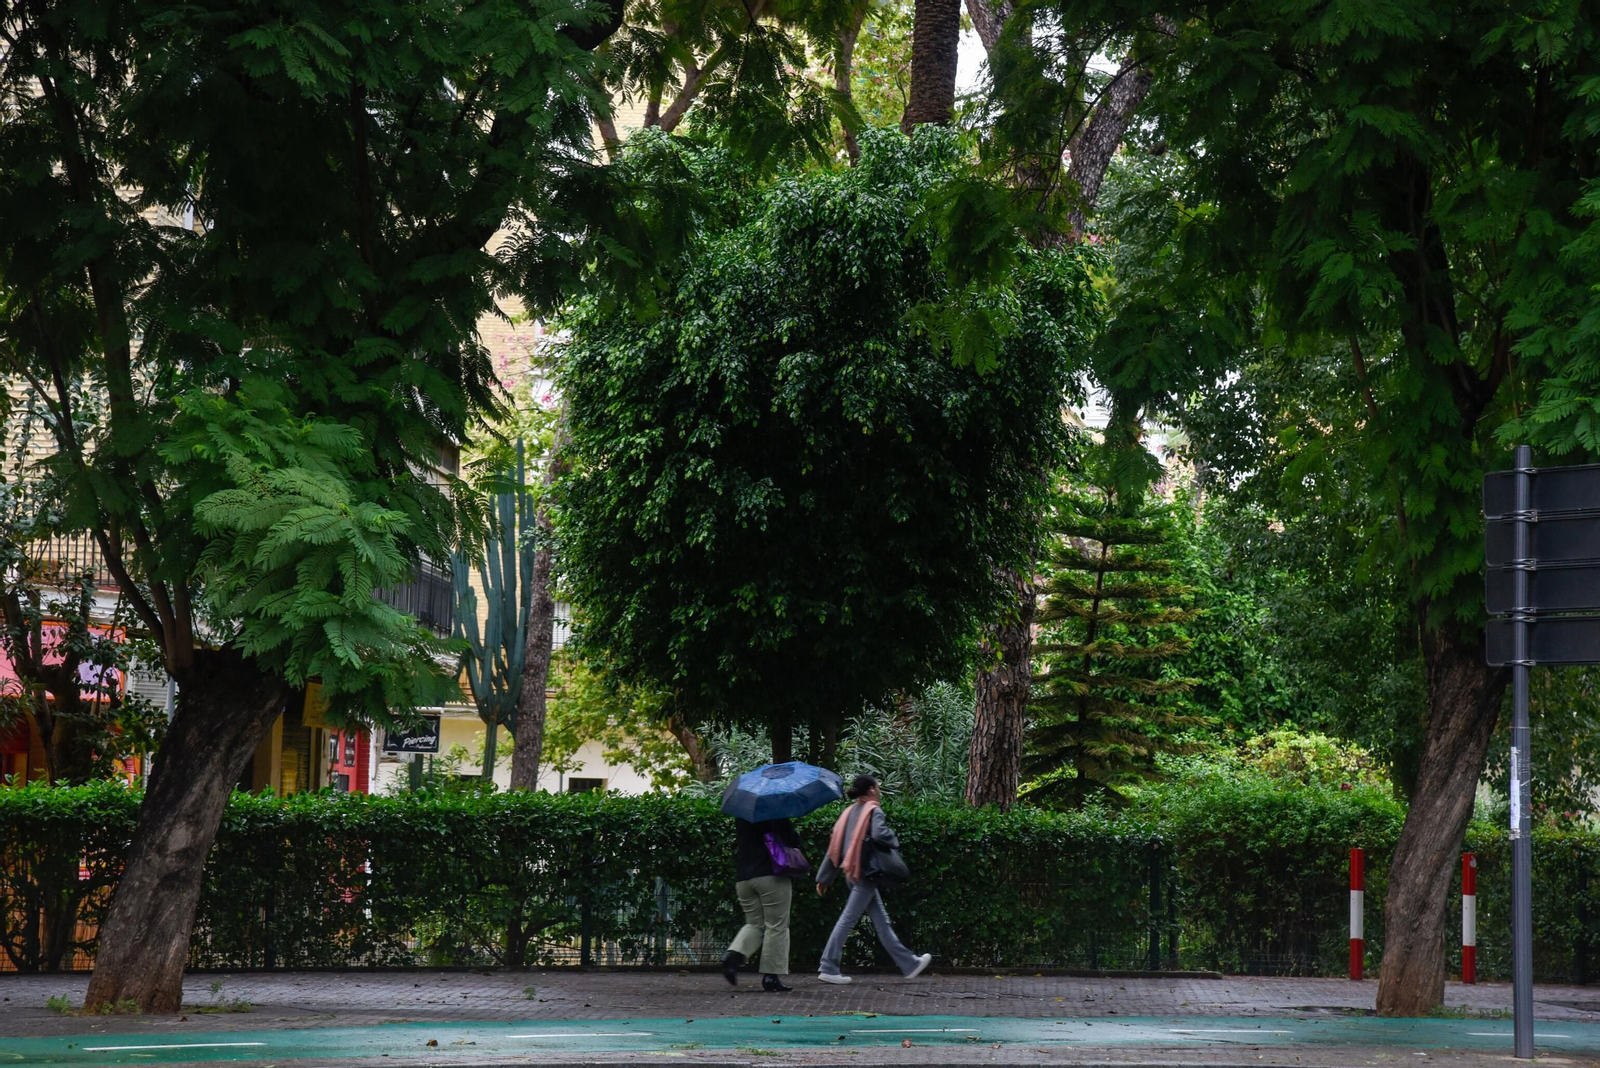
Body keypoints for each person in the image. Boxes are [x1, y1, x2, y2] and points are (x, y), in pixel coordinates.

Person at [814, 774, 932, 984]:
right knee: (847, 920)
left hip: (852, 874)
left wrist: (824, 878)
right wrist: (893, 839)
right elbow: (880, 834)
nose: (879, 790)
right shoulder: (873, 810)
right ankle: (828, 966)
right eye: (877, 787)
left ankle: (909, 963)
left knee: (882, 922)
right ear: (870, 790)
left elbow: (835, 847)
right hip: (865, 875)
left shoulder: (848, 813)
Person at [722, 816, 803, 991]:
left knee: (754, 923)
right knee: (777, 925)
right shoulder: (774, 811)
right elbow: (791, 839)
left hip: (744, 878)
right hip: (771, 875)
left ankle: (733, 956)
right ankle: (771, 977)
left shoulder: (742, 813)